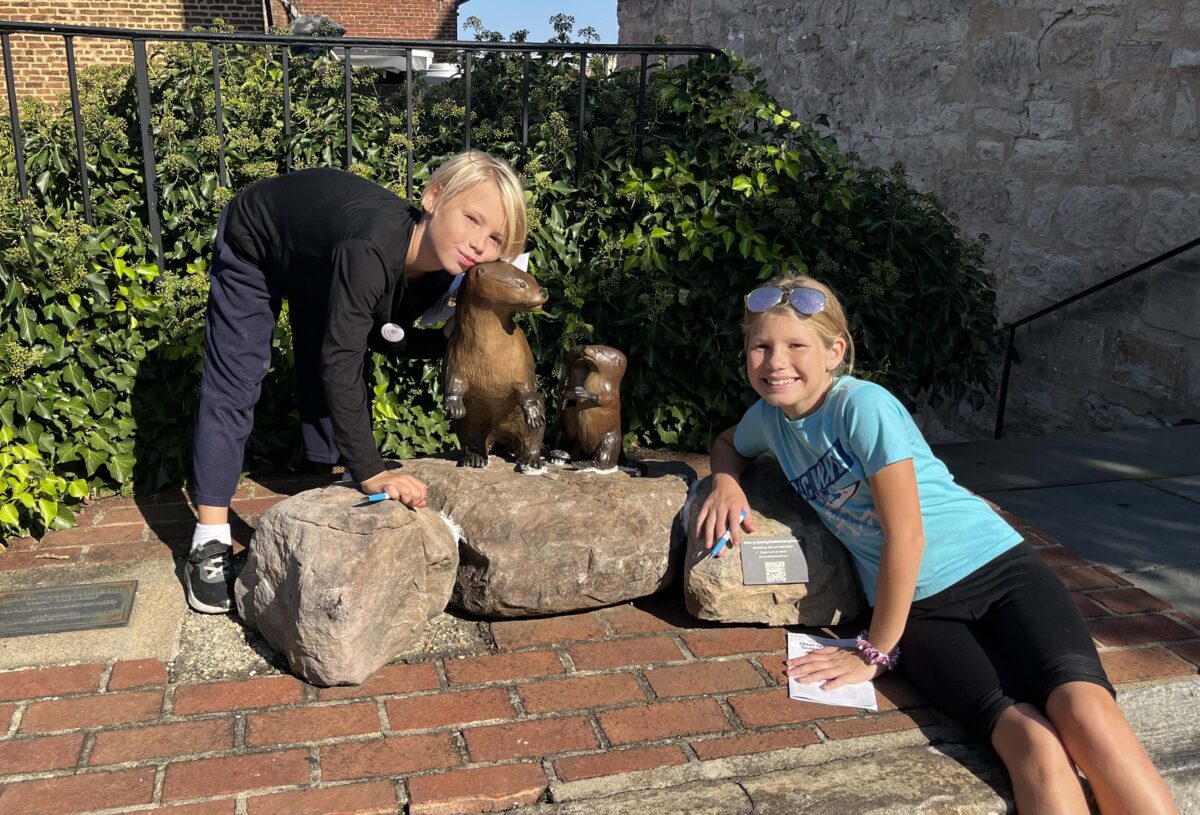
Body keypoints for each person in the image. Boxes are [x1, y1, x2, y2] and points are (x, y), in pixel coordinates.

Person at [694, 274, 1177, 814]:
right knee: (1030, 741)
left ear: (834, 352)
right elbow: (727, 443)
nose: (774, 361)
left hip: (997, 569)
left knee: (1088, 715)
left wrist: (874, 652)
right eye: (760, 346)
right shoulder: (769, 421)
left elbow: (907, 535)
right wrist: (726, 480)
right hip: (921, 612)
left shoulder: (861, 406)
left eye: (795, 346)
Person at [186, 150, 527, 614]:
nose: (478, 244)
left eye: (494, 239)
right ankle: (209, 540)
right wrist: (373, 471)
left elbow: (382, 338)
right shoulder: (371, 249)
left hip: (319, 250)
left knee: (328, 350)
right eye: (471, 219)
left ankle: (330, 473)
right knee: (238, 377)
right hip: (260, 235)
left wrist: (449, 341)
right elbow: (341, 362)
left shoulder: (440, 271)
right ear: (432, 198)